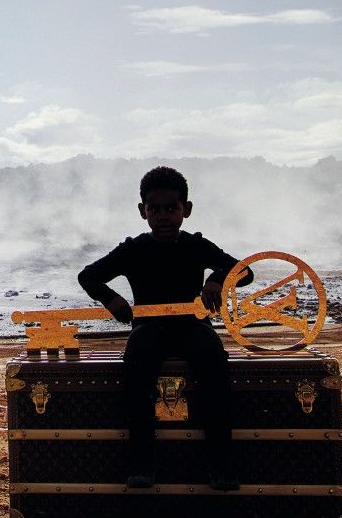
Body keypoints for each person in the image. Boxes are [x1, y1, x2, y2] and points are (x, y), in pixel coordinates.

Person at [77, 166, 248, 492]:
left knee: (214, 363)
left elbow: (244, 271)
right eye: (154, 209)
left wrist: (216, 280)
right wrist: (111, 299)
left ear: (187, 209)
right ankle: (142, 464)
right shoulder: (133, 249)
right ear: (143, 211)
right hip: (148, 329)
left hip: (193, 327)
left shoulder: (197, 246)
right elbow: (88, 276)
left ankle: (221, 465)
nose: (163, 216)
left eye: (171, 208)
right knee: (136, 369)